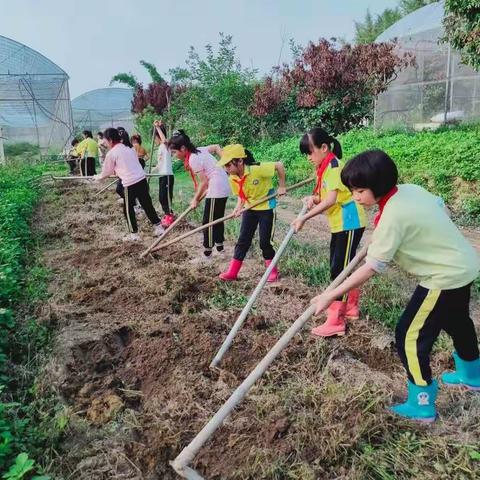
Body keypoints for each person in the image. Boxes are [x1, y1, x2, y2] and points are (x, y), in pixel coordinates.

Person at [311, 149, 480, 422]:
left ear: (377, 187)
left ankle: (421, 402)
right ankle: (472, 375)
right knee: (457, 320)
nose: (355, 197)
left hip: (442, 276)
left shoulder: (393, 216)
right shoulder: (409, 190)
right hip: (464, 264)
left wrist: (331, 294)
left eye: (360, 191)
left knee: (408, 336)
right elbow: (440, 206)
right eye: (352, 190)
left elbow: (373, 267)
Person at [292, 127, 366, 337]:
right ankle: (351, 308)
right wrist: (313, 198)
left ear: (324, 148)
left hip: (349, 222)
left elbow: (331, 201)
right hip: (341, 223)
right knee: (344, 265)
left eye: (310, 152)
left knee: (339, 270)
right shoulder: (326, 167)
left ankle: (335, 319)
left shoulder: (333, 167)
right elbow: (329, 195)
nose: (308, 158)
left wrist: (304, 218)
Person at [216, 144, 286, 281]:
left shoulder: (257, 169)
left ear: (240, 161)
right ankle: (232, 272)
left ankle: (272, 271)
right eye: (225, 166)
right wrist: (238, 208)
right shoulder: (233, 177)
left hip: (266, 207)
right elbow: (241, 196)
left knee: (265, 242)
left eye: (228, 165)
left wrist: (282, 186)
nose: (226, 169)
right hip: (250, 208)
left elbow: (279, 165)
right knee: (243, 240)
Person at [168, 130, 230, 261]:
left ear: (183, 148)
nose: (174, 155)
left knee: (208, 222)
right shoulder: (200, 150)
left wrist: (195, 199)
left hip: (217, 187)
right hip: (221, 185)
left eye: (174, 152)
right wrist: (225, 164)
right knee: (217, 219)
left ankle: (207, 254)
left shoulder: (193, 159)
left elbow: (204, 182)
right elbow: (217, 147)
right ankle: (220, 248)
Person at [94, 128, 164, 241]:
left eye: (105, 140)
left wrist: (97, 177)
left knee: (128, 208)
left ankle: (134, 234)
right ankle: (159, 227)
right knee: (147, 204)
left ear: (111, 140)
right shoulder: (129, 148)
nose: (105, 143)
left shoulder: (112, 153)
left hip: (129, 184)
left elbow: (106, 173)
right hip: (141, 180)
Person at [153, 120, 175, 226]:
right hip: (161, 175)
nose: (155, 140)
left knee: (165, 197)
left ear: (158, 136)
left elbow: (165, 140)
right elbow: (159, 164)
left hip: (167, 175)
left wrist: (157, 128)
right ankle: (167, 214)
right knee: (161, 198)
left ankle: (170, 216)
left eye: (155, 137)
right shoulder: (160, 148)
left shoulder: (166, 146)